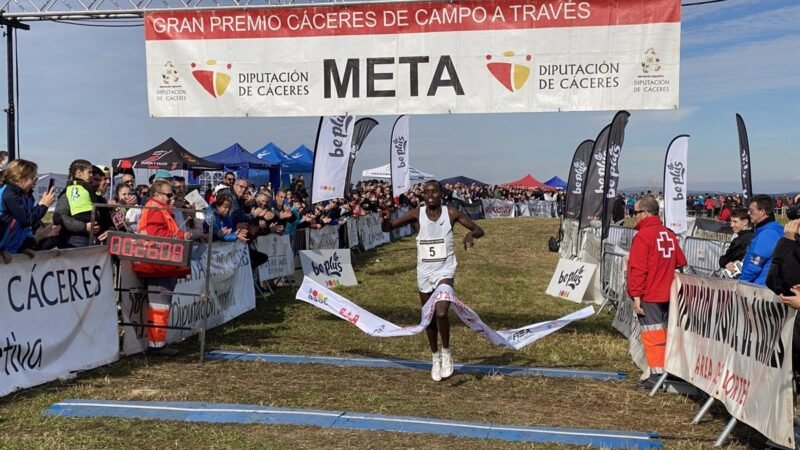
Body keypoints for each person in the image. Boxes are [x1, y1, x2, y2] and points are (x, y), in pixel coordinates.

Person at [380, 180, 484, 382]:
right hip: (425, 272)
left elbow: (479, 229)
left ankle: (446, 352)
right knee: (428, 317)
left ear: (441, 194)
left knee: (441, 312)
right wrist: (384, 219)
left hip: (445, 270)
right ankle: (435, 357)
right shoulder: (416, 214)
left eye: (433, 192)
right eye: (426, 192)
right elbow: (389, 228)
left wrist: (470, 234)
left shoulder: (451, 213)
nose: (430, 195)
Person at [626, 195, 687, 390]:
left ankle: (656, 376)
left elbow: (637, 268)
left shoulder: (643, 236)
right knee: (669, 333)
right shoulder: (668, 233)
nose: (633, 216)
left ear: (644, 213)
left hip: (650, 293)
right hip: (669, 293)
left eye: (635, 212)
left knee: (652, 336)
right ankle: (672, 372)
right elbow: (681, 261)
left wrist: (636, 296)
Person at [133, 179, 191, 355]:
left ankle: (157, 343)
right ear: (157, 194)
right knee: (160, 306)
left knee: (160, 305)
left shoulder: (159, 209)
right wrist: (180, 235)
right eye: (168, 194)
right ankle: (156, 345)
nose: (171, 198)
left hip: (160, 263)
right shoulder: (155, 209)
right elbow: (156, 234)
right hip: (158, 263)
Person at [0, 159, 58, 261]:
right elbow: (27, 219)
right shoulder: (9, 194)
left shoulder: (27, 196)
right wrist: (44, 205)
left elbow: (23, 227)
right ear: (19, 178)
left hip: (12, 252)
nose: (35, 179)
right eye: (32, 177)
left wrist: (24, 247)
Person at [739, 195, 784, 286]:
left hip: (759, 287)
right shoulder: (769, 230)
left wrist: (740, 283)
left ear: (762, 212)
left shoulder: (768, 233)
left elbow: (755, 266)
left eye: (751, 211)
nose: (748, 213)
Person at [718, 209, 754, 277]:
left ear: (745, 222)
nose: (731, 225)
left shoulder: (739, 240)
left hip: (738, 278)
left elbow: (723, 261)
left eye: (735, 221)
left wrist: (725, 261)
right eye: (731, 221)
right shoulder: (755, 236)